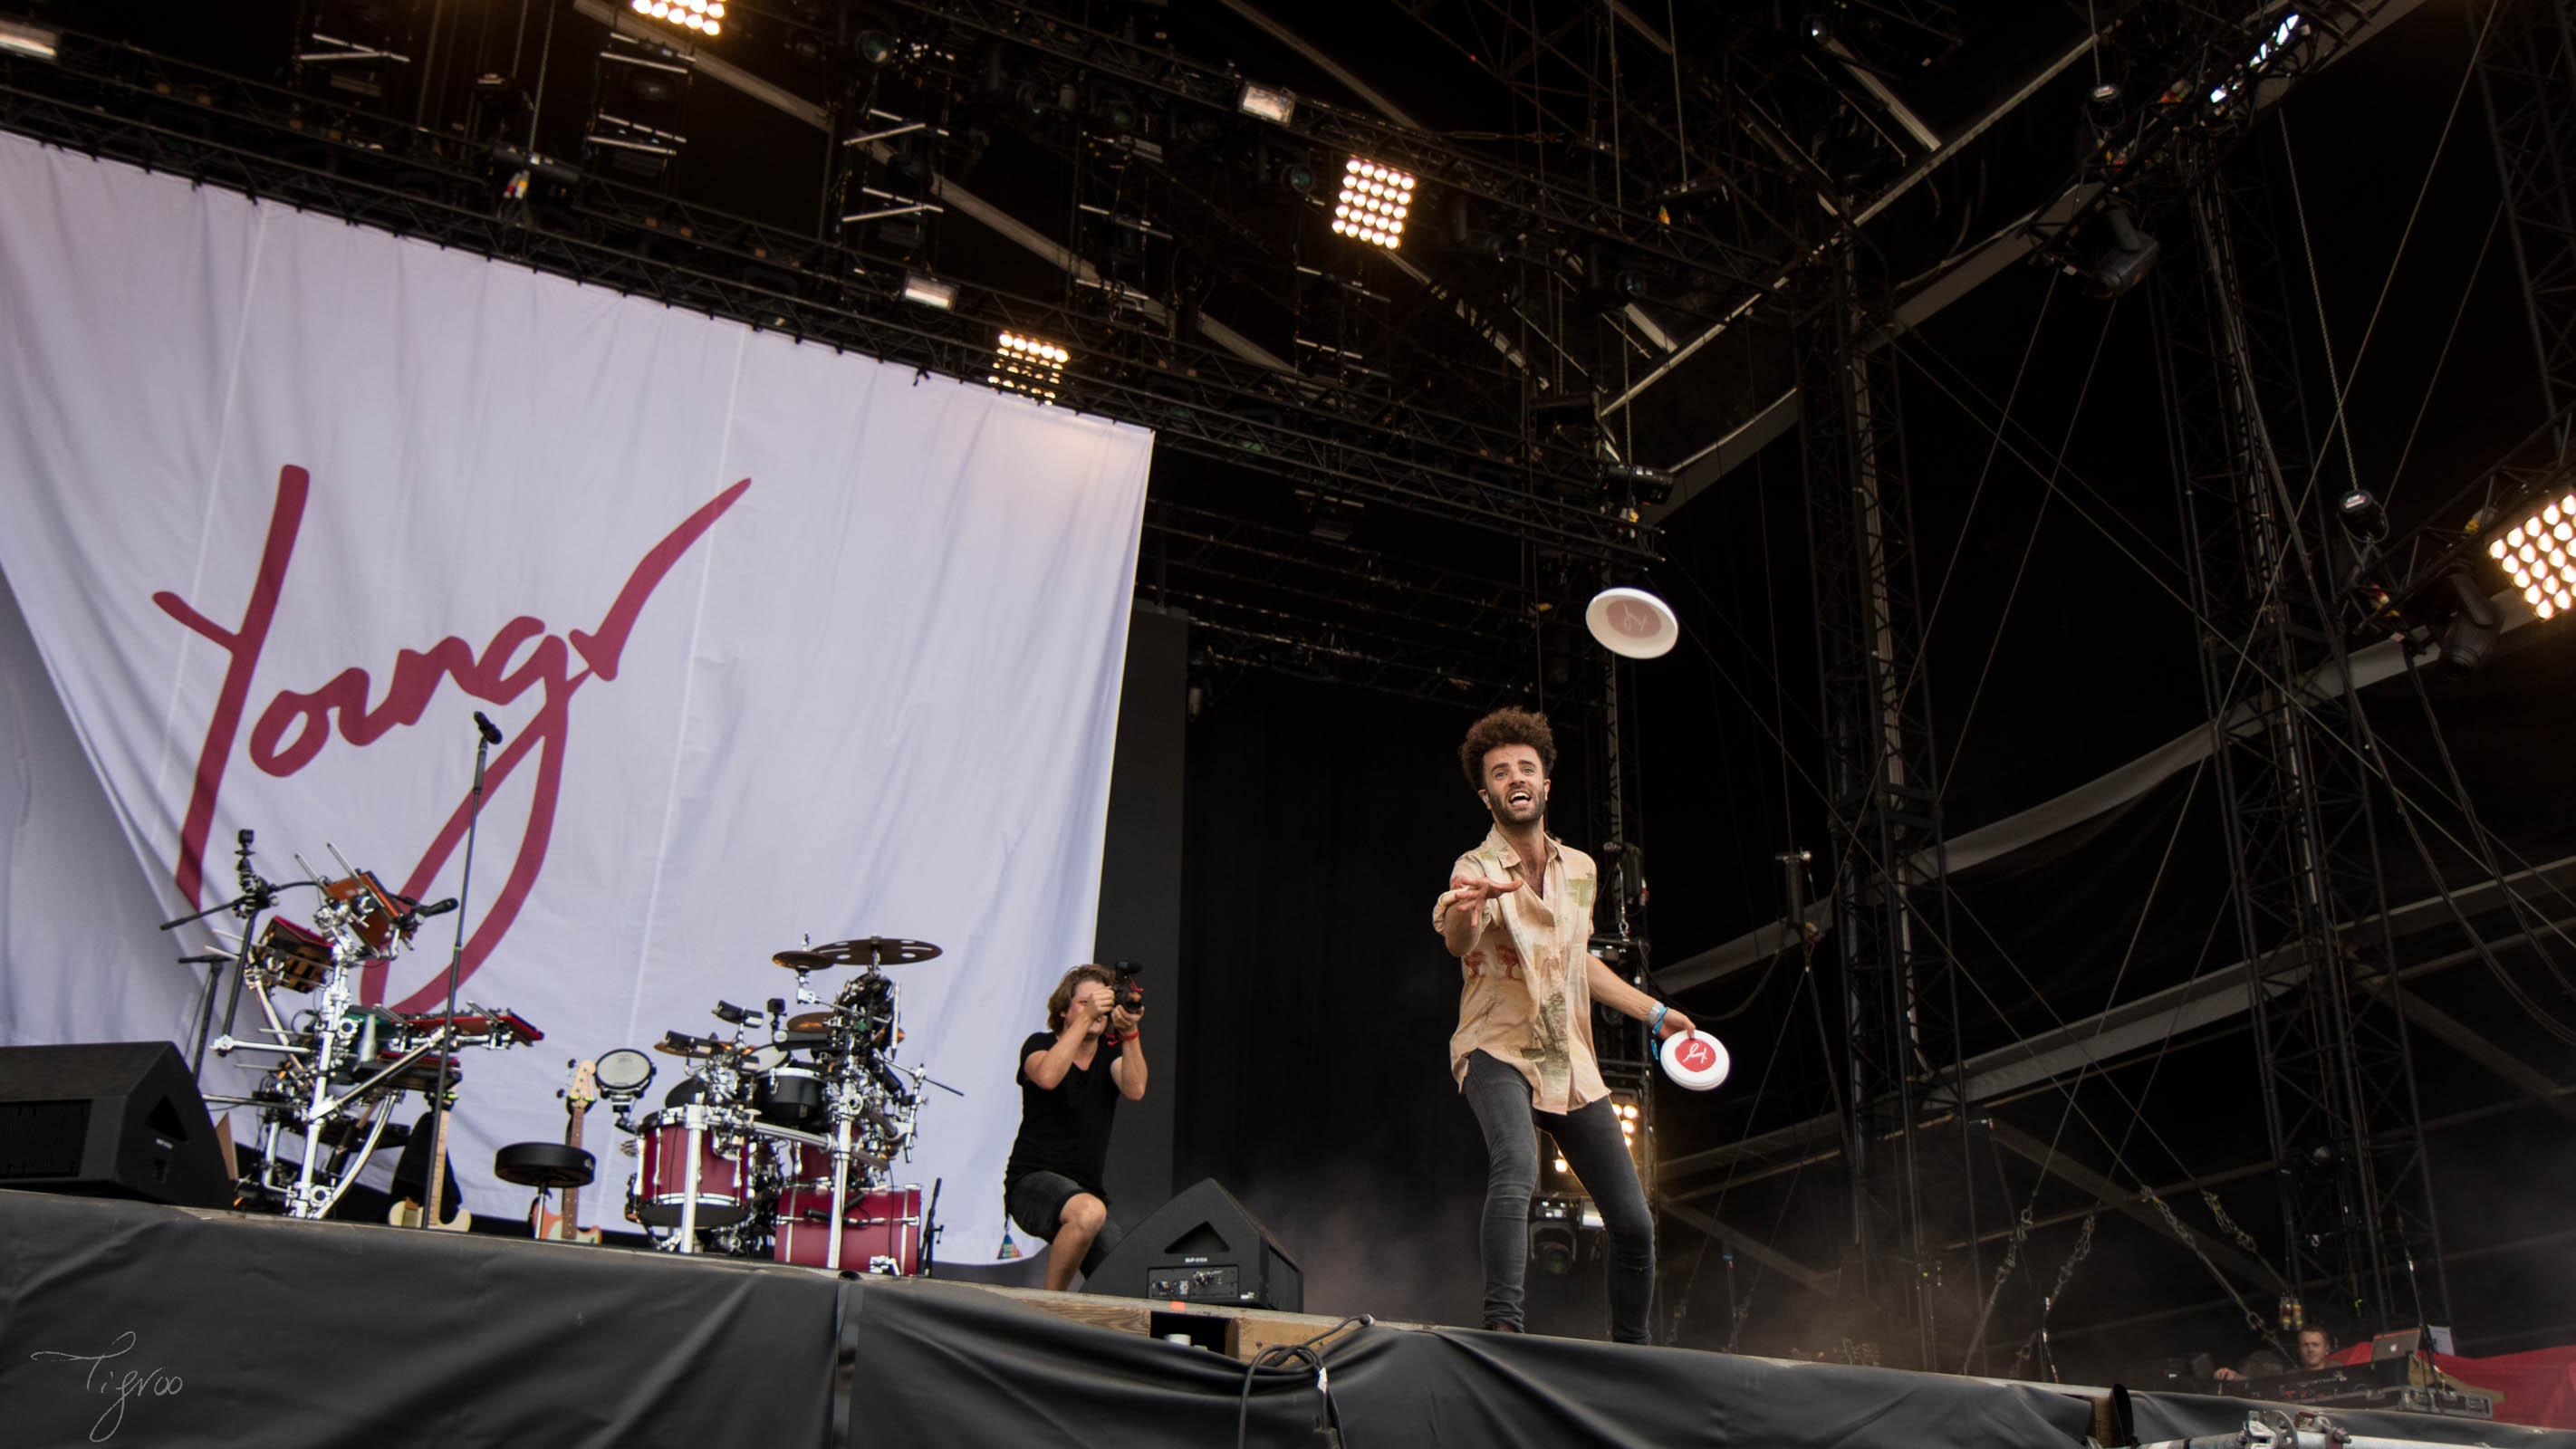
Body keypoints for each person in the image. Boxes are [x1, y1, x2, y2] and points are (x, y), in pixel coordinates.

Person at [1431, 705, 1696, 1342]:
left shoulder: (1579, 870)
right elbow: (1458, 936)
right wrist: (1469, 911)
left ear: (1546, 784)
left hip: (1564, 1054)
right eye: (1500, 772)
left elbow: (1575, 958)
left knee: (1634, 1222)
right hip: (1497, 1046)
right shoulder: (1476, 867)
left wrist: (1655, 1012)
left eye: (1526, 767)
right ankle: (1504, 1330)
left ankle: (1633, 1356)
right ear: (1487, 793)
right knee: (1517, 1167)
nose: (1514, 777)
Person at [1003, 964, 1146, 1291]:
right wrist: (1084, 1020)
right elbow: (1049, 1076)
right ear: (1064, 1011)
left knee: (1129, 1282)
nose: (1095, 1009)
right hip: (1030, 1183)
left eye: (1101, 1003)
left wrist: (1130, 1035)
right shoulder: (1039, 1044)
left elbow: (1136, 1088)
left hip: (1086, 1193)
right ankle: (1051, 1308)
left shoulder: (1109, 1054)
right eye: (1085, 1002)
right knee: (1088, 1213)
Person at [2213, 1325, 2336, 1381]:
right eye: (2305, 1345)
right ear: (2299, 1350)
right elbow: (2264, 1385)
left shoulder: (2341, 1370)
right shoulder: (2292, 1376)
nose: (2310, 1349)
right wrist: (2235, 1376)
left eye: (2315, 1345)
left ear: (2327, 1349)